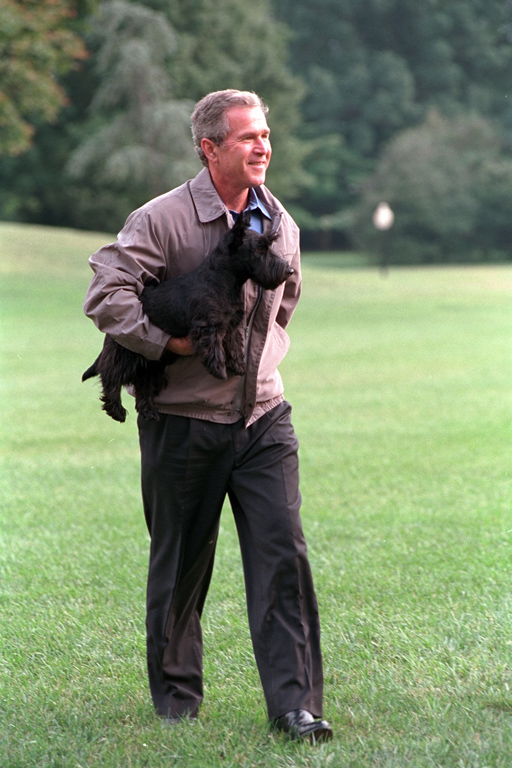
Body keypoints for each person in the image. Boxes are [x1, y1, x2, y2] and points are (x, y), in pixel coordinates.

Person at [83, 89, 332, 743]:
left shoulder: (281, 222)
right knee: (182, 564)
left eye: (266, 134)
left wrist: (262, 367)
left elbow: (284, 307)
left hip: (263, 420)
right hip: (181, 422)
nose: (263, 146)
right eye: (248, 136)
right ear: (210, 147)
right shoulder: (159, 219)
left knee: (283, 555)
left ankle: (295, 707)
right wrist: (170, 345)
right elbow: (106, 295)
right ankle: (176, 703)